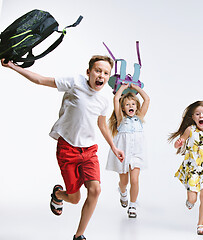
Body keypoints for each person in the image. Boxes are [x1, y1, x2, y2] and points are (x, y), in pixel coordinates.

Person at [1, 56, 124, 240]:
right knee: (74, 199)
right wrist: (12, 66)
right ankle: (58, 194)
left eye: (106, 73)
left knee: (95, 190)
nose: (101, 75)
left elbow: (102, 124)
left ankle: (79, 236)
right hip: (67, 148)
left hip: (89, 150)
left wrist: (113, 147)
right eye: (98, 70)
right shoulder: (75, 82)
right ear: (88, 72)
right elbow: (41, 80)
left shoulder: (104, 100)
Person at [168, 101, 203, 235]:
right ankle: (189, 200)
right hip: (193, 170)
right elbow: (178, 144)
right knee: (193, 199)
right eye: (197, 114)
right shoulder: (190, 130)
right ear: (193, 117)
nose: (201, 116)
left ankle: (201, 224)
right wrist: (178, 143)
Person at [106, 83, 150, 218]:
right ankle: (123, 191)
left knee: (135, 180)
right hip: (123, 154)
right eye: (127, 104)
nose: (130, 106)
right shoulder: (121, 120)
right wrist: (123, 88)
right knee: (124, 182)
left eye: (133, 104)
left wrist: (135, 87)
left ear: (137, 106)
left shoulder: (139, 118)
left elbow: (147, 99)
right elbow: (115, 100)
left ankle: (133, 205)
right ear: (123, 108)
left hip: (137, 154)